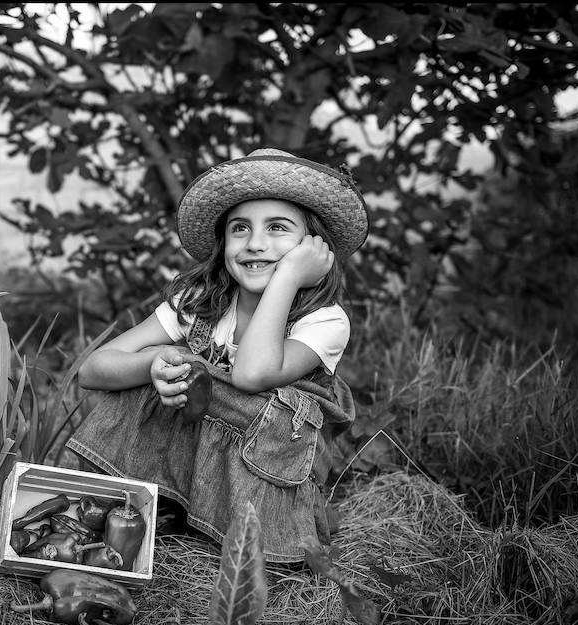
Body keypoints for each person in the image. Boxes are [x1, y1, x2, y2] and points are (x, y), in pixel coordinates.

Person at [57, 148, 368, 563]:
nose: (255, 244)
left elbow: (252, 375)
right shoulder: (201, 302)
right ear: (224, 242)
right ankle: (164, 502)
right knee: (152, 372)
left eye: (277, 228)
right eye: (240, 229)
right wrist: (153, 364)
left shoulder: (325, 321)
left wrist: (289, 276)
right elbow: (93, 370)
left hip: (268, 469)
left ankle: (221, 524)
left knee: (211, 376)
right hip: (193, 453)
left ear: (313, 246)